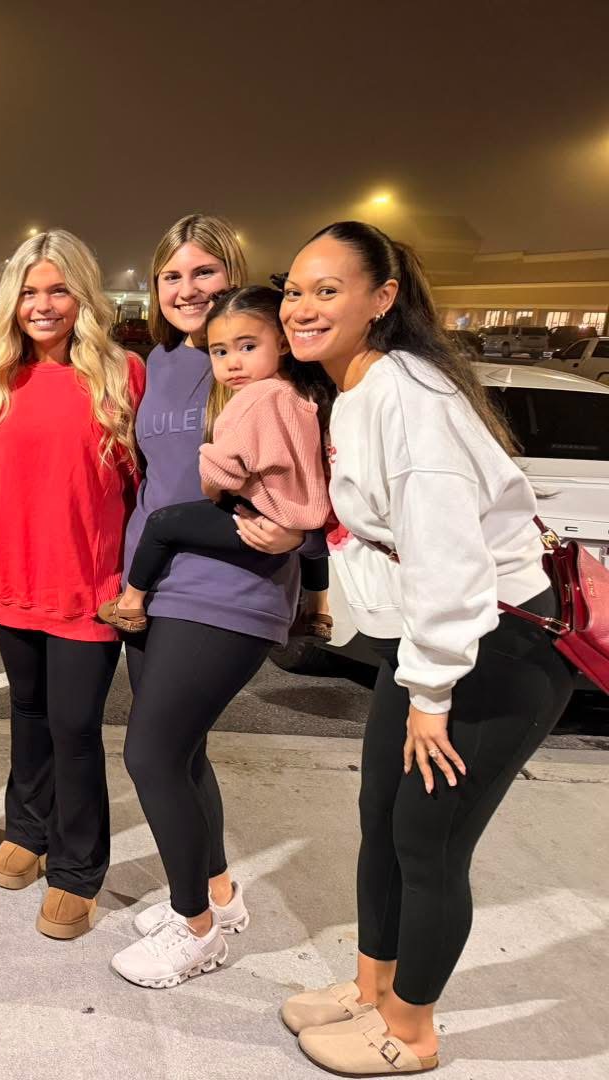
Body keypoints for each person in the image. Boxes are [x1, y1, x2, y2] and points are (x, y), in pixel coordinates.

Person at [278, 221, 574, 1076]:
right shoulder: (362, 386)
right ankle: (374, 988)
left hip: (497, 649)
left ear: (382, 299)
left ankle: (412, 1029)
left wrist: (433, 692)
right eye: (296, 289)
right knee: (381, 818)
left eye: (327, 290)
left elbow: (450, 563)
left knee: (429, 842)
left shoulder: (409, 398)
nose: (302, 306)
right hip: (434, 647)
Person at [109, 215, 318, 989]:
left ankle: (195, 930)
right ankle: (217, 896)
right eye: (173, 275)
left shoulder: (266, 365)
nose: (187, 288)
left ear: (233, 276)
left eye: (205, 272)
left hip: (230, 583)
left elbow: (309, 470)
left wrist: (299, 536)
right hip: (156, 583)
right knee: (184, 750)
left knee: (150, 752)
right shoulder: (162, 361)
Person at [0, 228, 144, 940]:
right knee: (27, 712)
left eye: (59, 289)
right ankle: (28, 826)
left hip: (90, 587)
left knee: (75, 729)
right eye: (30, 292)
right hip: (13, 581)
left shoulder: (123, 373)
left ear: (84, 295)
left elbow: (151, 488)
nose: (43, 305)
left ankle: (78, 869)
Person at [101, 285, 332, 632]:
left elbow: (221, 473)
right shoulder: (303, 396)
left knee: (164, 523)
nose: (233, 362)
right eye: (220, 352)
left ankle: (131, 602)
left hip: (262, 518)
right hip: (303, 513)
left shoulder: (252, 399)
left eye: (248, 347)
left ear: (282, 343)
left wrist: (214, 485)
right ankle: (319, 608)